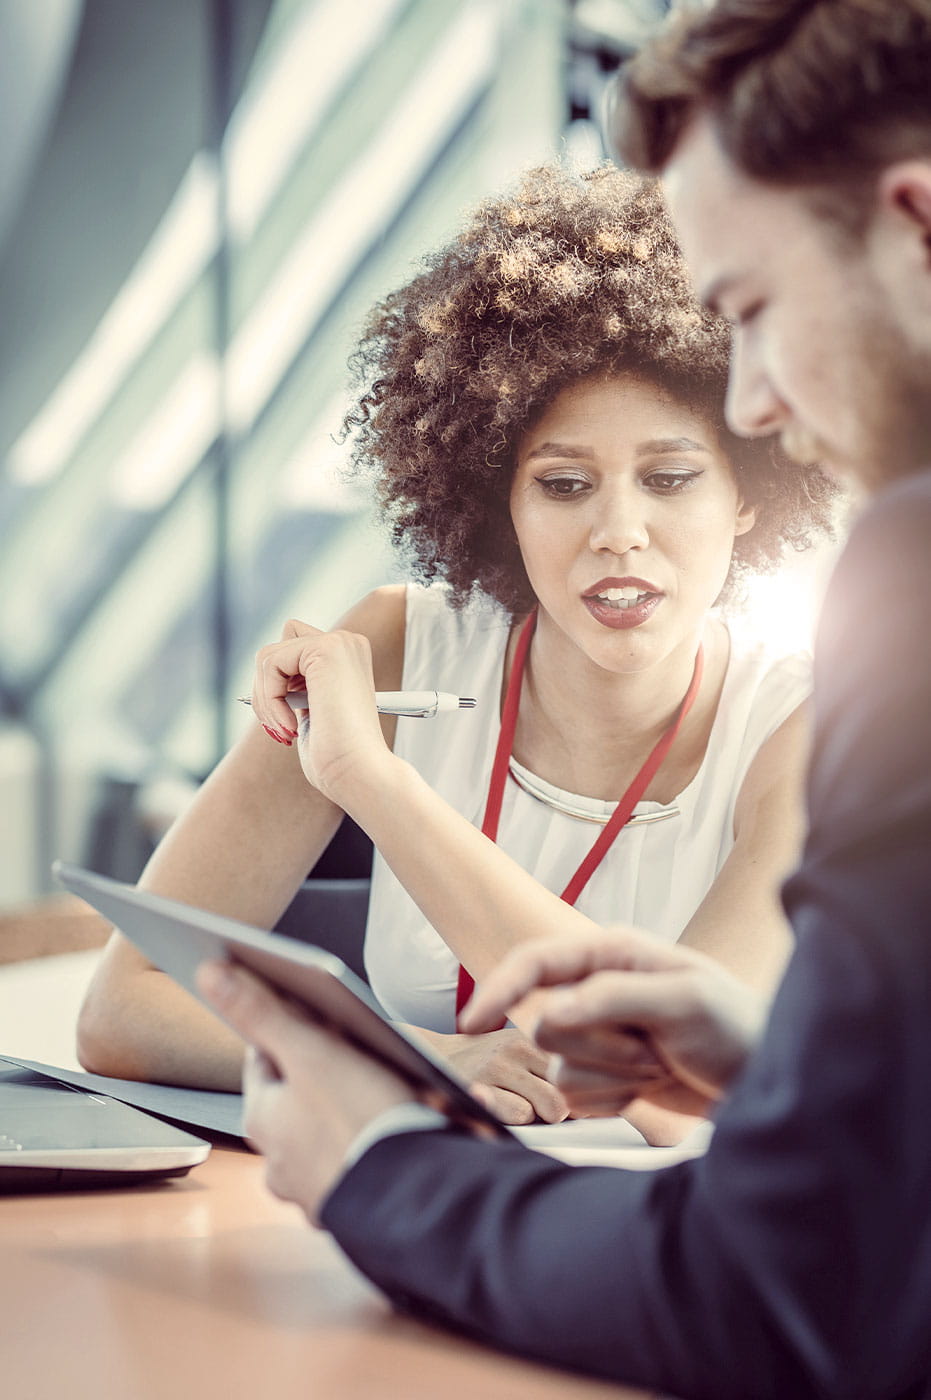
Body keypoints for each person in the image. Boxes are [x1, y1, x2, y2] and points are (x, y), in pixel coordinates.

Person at [193, 2, 931, 1396]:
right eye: (564, 483)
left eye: (753, 311)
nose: (752, 405)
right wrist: (768, 1069)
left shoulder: (894, 607)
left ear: (913, 226)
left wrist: (378, 1165)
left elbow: (772, 1288)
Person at [78, 166, 833, 1143]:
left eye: (670, 478)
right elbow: (124, 1007)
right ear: (495, 499)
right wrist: (423, 1059)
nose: (618, 531)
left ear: (747, 495)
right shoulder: (396, 648)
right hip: (393, 1200)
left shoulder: (803, 729)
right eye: (562, 485)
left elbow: (680, 1088)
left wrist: (372, 781)